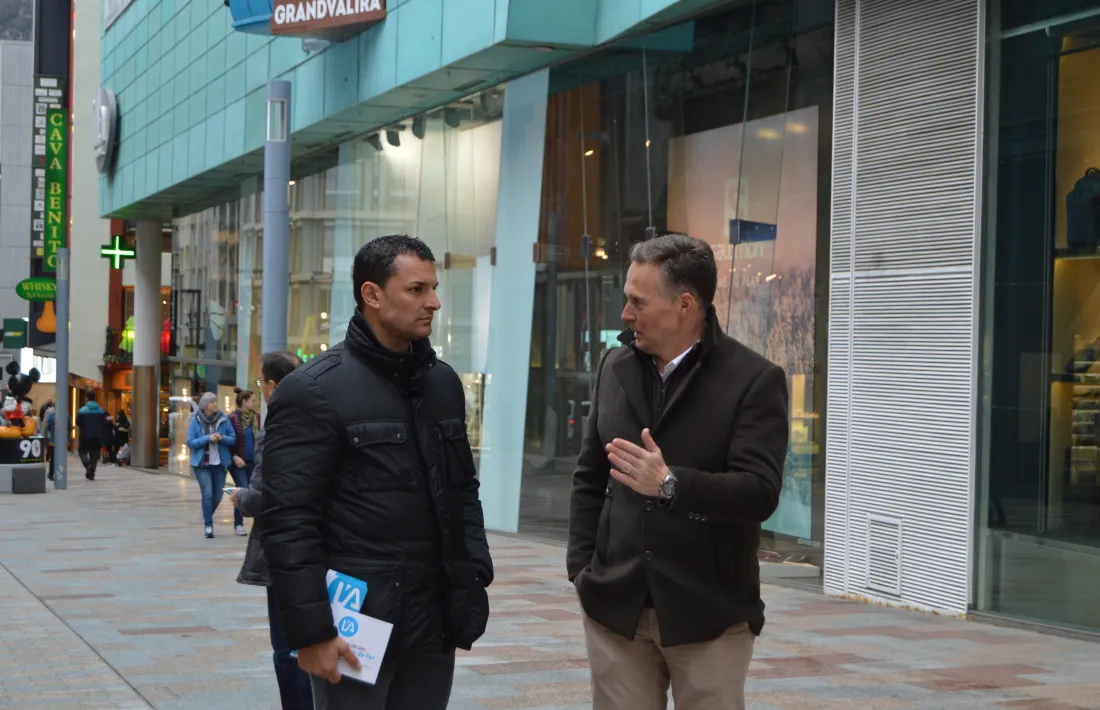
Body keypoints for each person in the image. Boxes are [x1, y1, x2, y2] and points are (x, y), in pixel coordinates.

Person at [262, 235, 494, 710]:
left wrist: (473, 571)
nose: (433, 301)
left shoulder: (443, 384)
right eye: (416, 289)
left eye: (433, 287)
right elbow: (288, 521)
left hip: (434, 620)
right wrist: (312, 632)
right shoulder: (312, 391)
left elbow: (462, 491)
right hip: (357, 625)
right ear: (372, 294)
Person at [567, 234, 789, 710]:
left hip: (708, 614)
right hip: (616, 608)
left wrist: (671, 485)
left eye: (637, 302)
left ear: (685, 303)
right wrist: (582, 570)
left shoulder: (754, 380)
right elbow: (590, 475)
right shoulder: (615, 364)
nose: (625, 313)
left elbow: (759, 492)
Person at [229, 351, 311, 710]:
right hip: (324, 547)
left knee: (288, 648)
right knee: (315, 641)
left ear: (272, 385)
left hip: (284, 550)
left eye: (261, 382)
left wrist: (239, 497)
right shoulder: (323, 419)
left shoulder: (277, 427)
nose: (259, 388)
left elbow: (261, 497)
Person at [186, 392, 237, 539]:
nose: (216, 404)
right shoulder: (196, 420)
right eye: (213, 402)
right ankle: (208, 525)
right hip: (202, 464)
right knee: (207, 494)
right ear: (205, 405)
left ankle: (207, 513)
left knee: (218, 496)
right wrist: (208, 438)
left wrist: (221, 437)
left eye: (216, 401)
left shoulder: (223, 418)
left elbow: (232, 438)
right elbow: (190, 442)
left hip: (219, 464)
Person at [228, 389, 260, 537]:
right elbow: (228, 441)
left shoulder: (256, 418)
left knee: (255, 490)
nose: (255, 403)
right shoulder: (233, 418)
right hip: (238, 461)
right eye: (253, 400)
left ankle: (258, 523)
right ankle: (238, 524)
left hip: (254, 461)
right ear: (244, 402)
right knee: (242, 489)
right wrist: (234, 456)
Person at [75, 394, 110, 481]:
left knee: (82, 453)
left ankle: (88, 465)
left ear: (87, 399)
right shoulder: (100, 411)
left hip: (85, 436)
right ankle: (91, 473)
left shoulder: (82, 411)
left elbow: (78, 422)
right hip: (97, 436)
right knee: (94, 455)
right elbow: (104, 423)